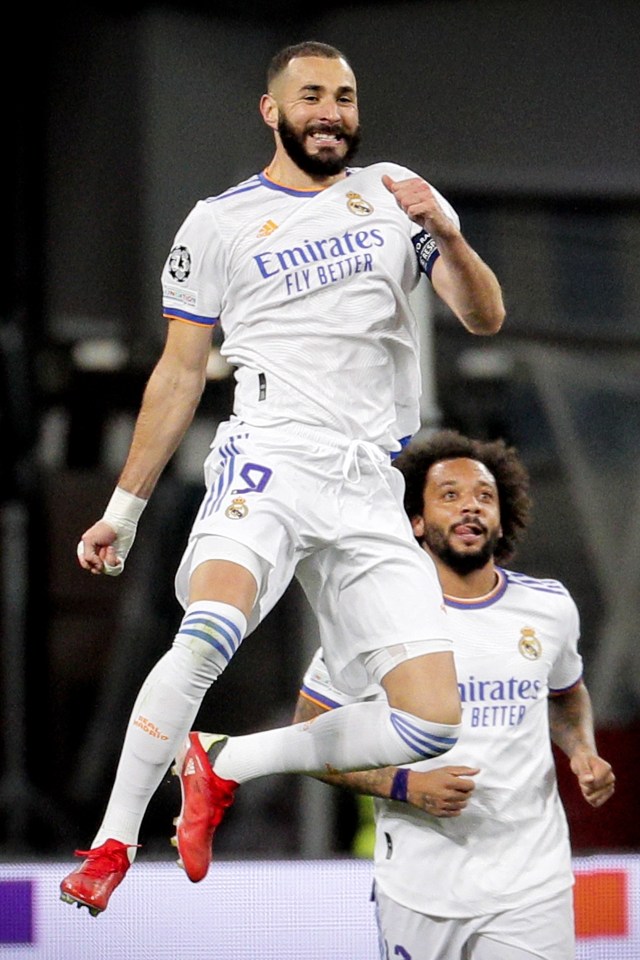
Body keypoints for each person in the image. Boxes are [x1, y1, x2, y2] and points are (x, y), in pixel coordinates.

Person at [60, 41, 505, 916]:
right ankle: (113, 841)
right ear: (273, 111)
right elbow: (180, 373)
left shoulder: (394, 193)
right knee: (209, 629)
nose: (331, 110)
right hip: (270, 455)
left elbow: (484, 316)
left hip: (371, 482)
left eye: (343, 95)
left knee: (430, 723)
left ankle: (222, 760)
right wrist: (124, 510)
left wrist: (447, 234)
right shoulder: (218, 223)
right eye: (311, 96)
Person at [289, 430, 615, 960]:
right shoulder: (371, 617)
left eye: (485, 497)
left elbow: (565, 694)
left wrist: (582, 750)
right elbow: (307, 737)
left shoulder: (549, 607)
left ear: (502, 520)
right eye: (449, 495)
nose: (470, 506)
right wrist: (404, 785)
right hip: (419, 889)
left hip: (531, 884)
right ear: (416, 522)